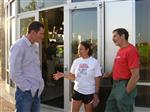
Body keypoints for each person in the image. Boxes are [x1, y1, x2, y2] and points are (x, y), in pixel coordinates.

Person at [53, 41, 102, 112]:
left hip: (89, 92)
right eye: (78, 49)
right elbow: (73, 77)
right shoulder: (76, 61)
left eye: (81, 49)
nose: (78, 51)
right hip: (77, 91)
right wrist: (63, 75)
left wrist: (96, 93)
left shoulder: (94, 62)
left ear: (87, 50)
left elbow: (97, 78)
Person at [9, 21, 45, 112]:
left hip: (36, 91)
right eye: (41, 33)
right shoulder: (18, 46)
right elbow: (14, 73)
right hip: (25, 93)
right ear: (33, 32)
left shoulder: (35, 46)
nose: (42, 36)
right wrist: (27, 88)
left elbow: (35, 67)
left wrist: (39, 84)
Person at [103, 28, 140, 112]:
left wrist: (126, 92)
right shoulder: (120, 50)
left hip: (124, 85)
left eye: (115, 36)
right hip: (115, 85)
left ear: (122, 36)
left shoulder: (131, 50)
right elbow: (119, 67)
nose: (113, 39)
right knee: (110, 107)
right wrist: (110, 74)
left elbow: (136, 76)